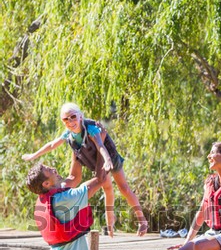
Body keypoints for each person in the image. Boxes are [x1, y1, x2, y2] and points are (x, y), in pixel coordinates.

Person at [22, 102, 148, 238]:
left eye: (73, 117)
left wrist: (107, 160)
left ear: (80, 116)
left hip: (109, 157)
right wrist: (33, 155)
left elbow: (100, 145)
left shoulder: (91, 128)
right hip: (93, 160)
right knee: (107, 188)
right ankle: (110, 223)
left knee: (124, 188)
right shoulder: (68, 134)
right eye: (66, 119)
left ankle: (142, 220)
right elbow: (52, 144)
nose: (70, 122)